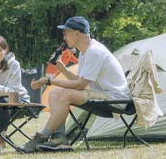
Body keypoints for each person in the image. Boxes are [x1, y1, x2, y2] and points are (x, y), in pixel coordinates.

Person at [20, 16, 131, 153]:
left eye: (66, 33)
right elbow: (79, 80)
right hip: (103, 95)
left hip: (115, 99)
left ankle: (42, 136)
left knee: (66, 93)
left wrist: (50, 81)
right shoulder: (85, 52)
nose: (64, 37)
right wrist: (63, 70)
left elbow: (80, 85)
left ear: (77, 34)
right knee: (55, 92)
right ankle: (60, 138)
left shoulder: (94, 52)